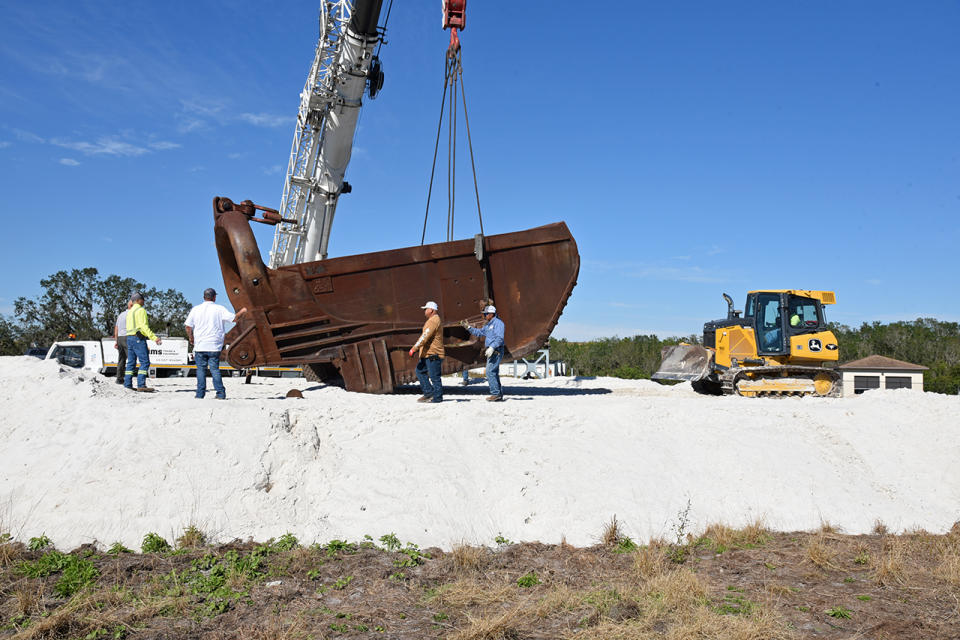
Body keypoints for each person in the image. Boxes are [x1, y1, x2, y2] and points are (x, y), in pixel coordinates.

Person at [184, 288, 247, 400]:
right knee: (214, 369)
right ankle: (220, 393)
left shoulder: (196, 309)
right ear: (214, 297)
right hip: (214, 345)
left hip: (200, 345)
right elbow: (234, 319)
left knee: (200, 370)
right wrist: (244, 310)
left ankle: (200, 394)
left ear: (204, 297)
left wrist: (191, 337)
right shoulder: (219, 309)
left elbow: (188, 326)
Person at [460, 305, 505, 402]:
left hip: (496, 350)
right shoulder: (488, 325)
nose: (485, 315)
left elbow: (500, 338)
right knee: (494, 372)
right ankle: (498, 393)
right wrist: (468, 327)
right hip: (492, 351)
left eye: (486, 314)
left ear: (492, 314)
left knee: (490, 372)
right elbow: (479, 332)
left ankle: (495, 394)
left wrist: (492, 347)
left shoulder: (498, 323)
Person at [408, 300, 445, 403]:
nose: (424, 311)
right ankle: (428, 393)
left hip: (433, 354)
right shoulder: (432, 320)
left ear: (432, 310)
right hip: (428, 354)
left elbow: (425, 336)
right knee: (419, 371)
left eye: (426, 309)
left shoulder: (433, 321)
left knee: (434, 377)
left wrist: (414, 348)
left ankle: (437, 398)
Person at [124, 292, 161, 392]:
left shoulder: (129, 312)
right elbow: (143, 326)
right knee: (145, 362)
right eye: (143, 299)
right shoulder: (141, 310)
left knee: (131, 363)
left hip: (129, 338)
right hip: (138, 338)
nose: (144, 301)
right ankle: (141, 385)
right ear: (138, 300)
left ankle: (127, 384)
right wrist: (154, 338)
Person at [113, 300, 133, 384]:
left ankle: (119, 378)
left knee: (121, 359)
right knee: (131, 359)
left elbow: (116, 328)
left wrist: (116, 341)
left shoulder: (121, 315)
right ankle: (128, 380)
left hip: (120, 338)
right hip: (127, 337)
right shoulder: (132, 314)